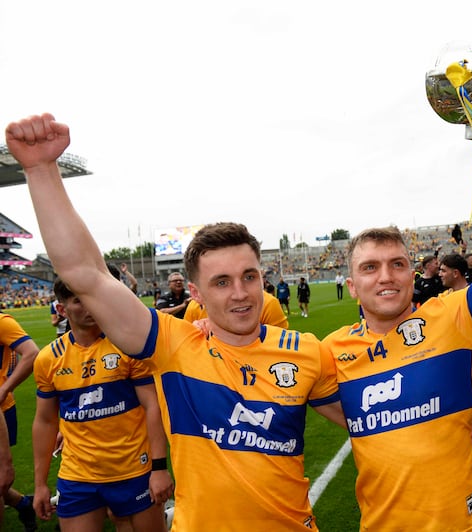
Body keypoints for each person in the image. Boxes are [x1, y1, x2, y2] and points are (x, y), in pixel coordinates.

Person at [6, 113, 346, 530]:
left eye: (249, 276)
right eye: (221, 282)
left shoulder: (307, 351)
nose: (240, 293)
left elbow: (375, 419)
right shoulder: (172, 345)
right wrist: (41, 170)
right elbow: (86, 274)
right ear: (196, 293)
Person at [320, 118, 472, 530]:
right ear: (352, 287)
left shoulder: (452, 315)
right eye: (370, 268)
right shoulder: (330, 352)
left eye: (397, 264)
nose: (386, 276)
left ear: (413, 275)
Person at [32, 277, 172, 531]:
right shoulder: (48, 359)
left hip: (133, 470)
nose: (91, 306)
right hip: (78, 476)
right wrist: (40, 483)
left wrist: (159, 467)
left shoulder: (128, 347)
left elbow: (153, 406)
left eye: (93, 299)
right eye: (79, 301)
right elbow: (45, 420)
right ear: (62, 310)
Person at [0, 311, 40, 531]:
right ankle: (23, 504)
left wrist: (5, 389)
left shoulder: (2, 322)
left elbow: (32, 353)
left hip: (1, 411)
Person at [183, 289, 289, 329]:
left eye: (249, 277)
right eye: (222, 283)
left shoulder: (267, 303)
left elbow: (281, 352)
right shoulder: (194, 308)